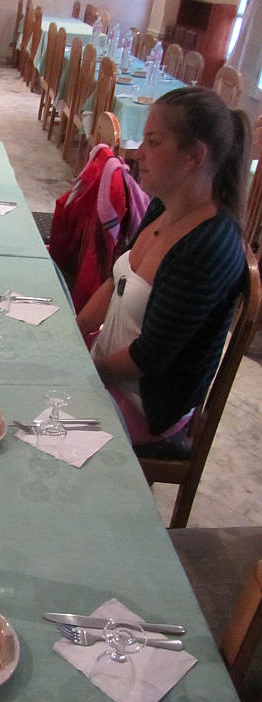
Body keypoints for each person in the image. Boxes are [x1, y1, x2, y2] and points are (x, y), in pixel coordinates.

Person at [76, 86, 251, 449]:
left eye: (153, 142)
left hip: (144, 407)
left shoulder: (208, 248)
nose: (139, 152)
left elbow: (148, 358)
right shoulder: (165, 205)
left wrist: (84, 369)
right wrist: (75, 331)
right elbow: (116, 280)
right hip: (106, 373)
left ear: (194, 156)